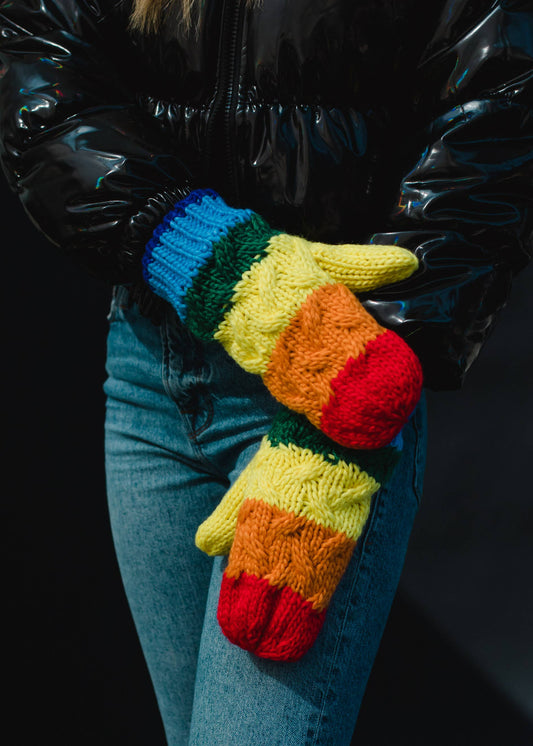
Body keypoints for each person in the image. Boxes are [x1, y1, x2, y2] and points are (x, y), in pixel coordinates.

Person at [0, 1, 531, 744]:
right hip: (150, 374)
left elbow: (499, 115)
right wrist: (221, 266)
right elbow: (39, 71)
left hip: (337, 376)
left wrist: (351, 407)